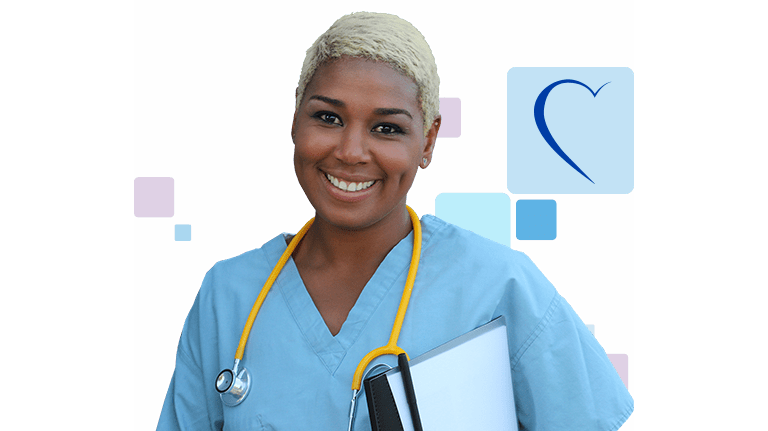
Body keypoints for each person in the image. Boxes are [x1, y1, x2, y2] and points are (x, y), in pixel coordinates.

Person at [157, 9, 633, 430]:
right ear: (295, 122)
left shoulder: (498, 286)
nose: (350, 151)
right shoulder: (229, 295)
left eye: (387, 128)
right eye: (327, 117)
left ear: (427, 142)